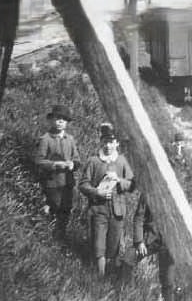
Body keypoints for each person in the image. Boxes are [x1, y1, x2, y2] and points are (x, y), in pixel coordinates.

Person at [79, 123, 134, 276]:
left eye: (111, 142)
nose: (108, 145)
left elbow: (132, 185)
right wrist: (97, 193)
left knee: (114, 244)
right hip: (98, 210)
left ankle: (114, 276)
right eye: (104, 141)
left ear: (117, 143)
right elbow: (83, 184)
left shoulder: (122, 161)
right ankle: (100, 276)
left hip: (117, 211)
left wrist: (119, 181)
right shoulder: (94, 161)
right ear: (100, 142)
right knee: (99, 243)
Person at [119, 191, 179, 300]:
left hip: (169, 242)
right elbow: (139, 217)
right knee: (129, 257)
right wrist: (139, 241)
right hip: (151, 238)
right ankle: (128, 294)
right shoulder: (148, 191)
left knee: (168, 281)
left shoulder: (175, 192)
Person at [34, 104, 82, 240]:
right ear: (52, 120)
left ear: (67, 123)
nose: (60, 121)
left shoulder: (70, 139)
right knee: (55, 207)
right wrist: (55, 164)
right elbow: (39, 160)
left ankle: (60, 237)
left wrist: (73, 164)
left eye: (64, 119)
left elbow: (77, 159)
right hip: (52, 182)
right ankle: (46, 235)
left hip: (67, 182)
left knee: (66, 209)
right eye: (58, 118)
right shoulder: (46, 139)